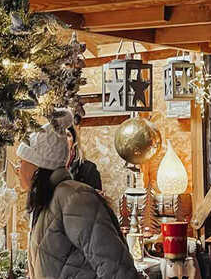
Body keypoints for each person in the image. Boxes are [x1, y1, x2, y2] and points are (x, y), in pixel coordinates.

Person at [15, 108, 143, 279]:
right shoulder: (46, 204)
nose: (17, 169)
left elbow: (116, 269)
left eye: (22, 161)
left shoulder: (74, 198)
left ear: (38, 165)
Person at [66, 124, 103, 191]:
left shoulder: (89, 169)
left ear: (74, 142)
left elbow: (95, 200)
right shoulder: (46, 170)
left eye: (67, 135)